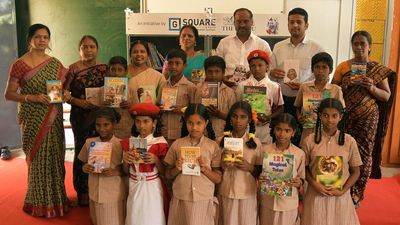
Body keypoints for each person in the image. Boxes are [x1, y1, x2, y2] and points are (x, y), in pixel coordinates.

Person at [4, 23, 69, 217]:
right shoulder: (20, 64)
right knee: (37, 157)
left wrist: (64, 94)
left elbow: (59, 91)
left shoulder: (55, 63)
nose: (42, 40)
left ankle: (57, 200)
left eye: (45, 37)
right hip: (32, 116)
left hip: (53, 116)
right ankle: (37, 201)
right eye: (38, 37)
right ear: (30, 39)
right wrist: (31, 97)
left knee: (55, 157)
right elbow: (9, 94)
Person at [332, 30, 396, 206]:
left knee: (364, 155)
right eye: (356, 43)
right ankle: (340, 188)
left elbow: (386, 96)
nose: (359, 47)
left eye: (363, 44)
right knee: (343, 152)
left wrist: (372, 87)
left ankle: (357, 193)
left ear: (369, 47)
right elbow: (332, 90)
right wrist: (343, 85)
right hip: (345, 117)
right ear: (352, 46)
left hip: (368, 119)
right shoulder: (343, 67)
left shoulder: (376, 69)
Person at [302, 98, 362, 225]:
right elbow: (304, 168)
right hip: (315, 195)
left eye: (334, 116)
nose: (330, 120)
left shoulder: (349, 141)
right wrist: (315, 184)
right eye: (325, 115)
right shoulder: (309, 140)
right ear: (319, 115)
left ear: (340, 117)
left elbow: (356, 171)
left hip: (340, 197)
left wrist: (343, 190)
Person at [269, 7, 324, 145]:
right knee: (281, 136)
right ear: (287, 25)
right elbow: (270, 72)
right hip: (282, 100)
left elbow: (323, 76)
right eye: (291, 22)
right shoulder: (278, 47)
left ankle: (301, 164)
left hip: (307, 100)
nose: (295, 25)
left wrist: (303, 86)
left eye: (299, 22)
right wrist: (272, 73)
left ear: (306, 25)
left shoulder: (316, 48)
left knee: (304, 138)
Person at [65, 35, 108, 206]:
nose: (88, 50)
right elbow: (63, 93)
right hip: (80, 117)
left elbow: (114, 89)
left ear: (97, 49)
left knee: (100, 149)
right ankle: (82, 191)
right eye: (85, 47)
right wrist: (78, 102)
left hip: (101, 117)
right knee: (82, 151)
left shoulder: (105, 68)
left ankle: (100, 190)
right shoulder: (72, 70)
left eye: (92, 47)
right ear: (79, 49)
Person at [164, 103, 221, 225]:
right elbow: (167, 175)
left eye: (199, 123)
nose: (194, 127)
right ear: (185, 123)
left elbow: (218, 178)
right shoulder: (177, 145)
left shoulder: (212, 146)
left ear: (206, 123)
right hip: (181, 198)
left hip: (203, 199)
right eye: (190, 123)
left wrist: (205, 170)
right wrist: (177, 168)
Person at [121, 103, 169, 225]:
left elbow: (165, 172)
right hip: (134, 184)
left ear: (154, 123)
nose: (141, 126)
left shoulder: (160, 143)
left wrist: (156, 160)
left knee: (152, 217)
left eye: (146, 121)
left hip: (152, 186)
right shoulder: (129, 143)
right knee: (134, 216)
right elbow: (125, 171)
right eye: (138, 121)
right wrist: (126, 161)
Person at [79, 108, 127, 225]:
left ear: (114, 124)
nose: (102, 129)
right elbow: (83, 162)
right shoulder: (89, 142)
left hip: (113, 194)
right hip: (94, 193)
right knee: (96, 220)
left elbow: (127, 170)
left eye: (106, 125)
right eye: (98, 125)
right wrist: (84, 167)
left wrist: (116, 172)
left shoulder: (122, 144)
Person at [217, 101, 262, 225]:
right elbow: (215, 170)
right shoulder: (220, 141)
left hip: (247, 193)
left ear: (249, 120)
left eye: (243, 117)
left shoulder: (256, 143)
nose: (238, 121)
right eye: (234, 116)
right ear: (230, 118)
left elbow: (260, 172)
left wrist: (250, 167)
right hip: (226, 191)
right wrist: (223, 165)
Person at [258, 113, 305, 225]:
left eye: (287, 130)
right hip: (268, 202)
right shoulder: (265, 150)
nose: (282, 134)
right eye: (278, 129)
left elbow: (302, 178)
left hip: (288, 204)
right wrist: (260, 177)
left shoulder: (299, 154)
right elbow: (260, 172)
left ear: (293, 132)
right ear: (274, 130)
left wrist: (299, 182)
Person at [294, 52, 345, 147]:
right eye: (317, 67)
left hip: (329, 135)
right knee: (307, 159)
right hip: (308, 132)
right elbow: (297, 106)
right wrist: (299, 116)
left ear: (330, 70)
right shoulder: (304, 87)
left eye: (324, 67)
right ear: (312, 69)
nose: (320, 71)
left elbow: (342, 111)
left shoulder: (336, 90)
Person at [236, 50, 284, 145]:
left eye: (260, 65)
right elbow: (237, 106)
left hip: (265, 129)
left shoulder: (274, 86)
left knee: (263, 154)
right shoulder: (242, 86)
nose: (257, 69)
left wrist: (268, 117)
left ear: (267, 67)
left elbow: (281, 108)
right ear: (249, 67)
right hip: (245, 128)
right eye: (253, 66)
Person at [216, 8, 272, 87]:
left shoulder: (262, 44)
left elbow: (269, 68)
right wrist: (222, 78)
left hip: (254, 91)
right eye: (238, 21)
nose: (242, 25)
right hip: (228, 88)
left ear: (252, 22)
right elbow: (217, 66)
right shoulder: (224, 43)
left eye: (245, 21)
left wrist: (255, 73)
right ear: (234, 22)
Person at [157, 49, 199, 144]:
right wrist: (161, 107)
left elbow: (195, 111)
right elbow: (157, 105)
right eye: (170, 63)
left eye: (177, 63)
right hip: (164, 131)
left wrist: (182, 109)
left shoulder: (190, 87)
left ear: (184, 65)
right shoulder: (163, 85)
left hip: (181, 132)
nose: (173, 66)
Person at [197, 56, 237, 137]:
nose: (213, 75)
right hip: (201, 135)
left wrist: (219, 114)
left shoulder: (230, 92)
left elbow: (234, 119)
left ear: (223, 73)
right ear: (205, 72)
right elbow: (193, 112)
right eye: (210, 71)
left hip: (222, 135)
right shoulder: (198, 89)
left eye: (217, 71)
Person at [127, 40, 166, 105]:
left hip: (149, 114)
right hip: (124, 113)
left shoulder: (158, 76)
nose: (139, 54)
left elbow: (163, 100)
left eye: (142, 52)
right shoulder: (122, 72)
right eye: (135, 52)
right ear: (130, 55)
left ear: (148, 55)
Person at [106, 56, 133, 139]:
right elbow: (96, 111)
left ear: (126, 72)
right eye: (113, 70)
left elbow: (137, 111)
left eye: (120, 70)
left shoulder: (131, 90)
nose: (116, 73)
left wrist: (130, 106)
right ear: (108, 71)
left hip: (127, 131)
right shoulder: (102, 90)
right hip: (108, 132)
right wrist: (103, 105)